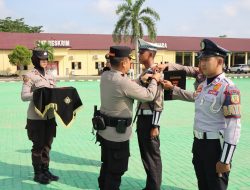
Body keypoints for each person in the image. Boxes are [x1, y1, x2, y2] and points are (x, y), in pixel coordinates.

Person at [161, 39, 241, 190]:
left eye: (206, 59)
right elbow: (194, 98)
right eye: (201, 59)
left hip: (215, 147)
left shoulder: (228, 88)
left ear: (219, 61)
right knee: (202, 185)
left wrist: (225, 160)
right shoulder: (203, 85)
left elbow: (234, 126)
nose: (202, 63)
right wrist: (173, 89)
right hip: (199, 145)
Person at [96, 46, 161, 190]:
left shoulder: (106, 76)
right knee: (116, 170)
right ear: (124, 63)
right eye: (130, 61)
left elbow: (125, 87)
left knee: (107, 165)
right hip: (117, 136)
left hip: (105, 131)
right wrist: (155, 80)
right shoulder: (122, 82)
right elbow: (148, 95)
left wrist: (140, 79)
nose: (130, 63)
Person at [21, 50, 59, 184]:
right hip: (36, 118)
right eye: (41, 59)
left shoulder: (49, 75)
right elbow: (24, 96)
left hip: (49, 117)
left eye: (46, 59)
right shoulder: (29, 76)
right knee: (38, 146)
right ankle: (38, 173)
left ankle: (45, 169)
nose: (44, 61)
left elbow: (54, 92)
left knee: (47, 145)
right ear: (35, 60)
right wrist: (38, 94)